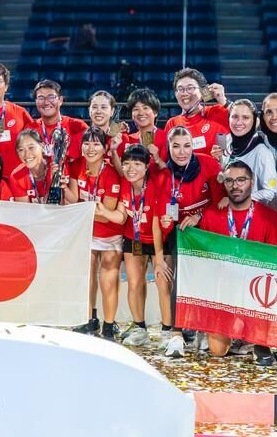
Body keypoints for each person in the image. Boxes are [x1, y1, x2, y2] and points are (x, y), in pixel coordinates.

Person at [193, 160, 277, 359]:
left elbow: (274, 266)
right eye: (229, 181)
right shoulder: (211, 216)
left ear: (252, 182)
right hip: (223, 293)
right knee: (218, 351)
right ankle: (231, 330)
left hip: (255, 294)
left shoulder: (271, 219)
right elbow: (204, 263)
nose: (235, 186)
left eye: (241, 180)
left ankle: (249, 332)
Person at [154, 126, 225, 357]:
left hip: (209, 232)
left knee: (208, 279)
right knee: (179, 277)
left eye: (187, 146)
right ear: (168, 148)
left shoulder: (209, 165)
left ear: (193, 146)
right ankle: (176, 334)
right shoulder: (164, 177)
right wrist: (166, 222)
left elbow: (222, 203)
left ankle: (203, 328)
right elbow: (163, 220)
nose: (181, 152)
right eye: (176, 146)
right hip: (182, 235)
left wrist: (200, 216)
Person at [65, 127, 124, 339]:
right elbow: (73, 199)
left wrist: (82, 209)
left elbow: (107, 214)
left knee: (108, 280)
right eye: (87, 143)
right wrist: (63, 187)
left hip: (110, 234)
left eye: (96, 143)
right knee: (87, 277)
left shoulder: (111, 173)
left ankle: (109, 325)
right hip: (86, 232)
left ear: (105, 148)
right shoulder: (76, 166)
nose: (91, 148)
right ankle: (89, 319)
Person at [105, 145, 163, 348]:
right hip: (134, 238)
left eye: (137, 164)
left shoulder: (156, 185)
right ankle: (140, 328)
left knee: (164, 284)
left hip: (158, 239)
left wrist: (160, 257)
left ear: (147, 166)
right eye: (127, 163)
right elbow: (121, 216)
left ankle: (169, 330)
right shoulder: (124, 183)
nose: (131, 168)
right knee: (134, 283)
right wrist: (100, 211)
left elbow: (157, 223)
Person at [209, 99, 274, 205]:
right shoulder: (226, 140)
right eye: (234, 116)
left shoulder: (262, 152)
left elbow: (270, 192)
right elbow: (224, 177)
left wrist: (237, 198)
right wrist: (218, 160)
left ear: (255, 121)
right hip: (223, 207)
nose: (239, 122)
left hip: (250, 211)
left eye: (245, 117)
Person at [164, 67, 229, 158]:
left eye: (190, 88)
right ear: (175, 94)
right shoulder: (172, 123)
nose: (185, 93)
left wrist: (224, 101)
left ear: (202, 91)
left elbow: (248, 121)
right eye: (180, 89)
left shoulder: (216, 112)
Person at [30, 79, 87, 164]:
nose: (46, 102)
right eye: (41, 98)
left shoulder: (78, 127)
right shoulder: (30, 129)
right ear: (36, 101)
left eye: (51, 97)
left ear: (60, 100)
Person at [117, 88, 168, 175]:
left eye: (145, 108)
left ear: (155, 112)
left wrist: (157, 159)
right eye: (136, 109)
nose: (141, 113)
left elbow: (171, 174)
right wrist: (115, 130)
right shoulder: (128, 139)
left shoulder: (166, 138)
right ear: (132, 115)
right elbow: (120, 172)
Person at [9, 130, 56, 204]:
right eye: (21, 150)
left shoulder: (56, 166)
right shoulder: (17, 176)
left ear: (42, 147)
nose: (27, 154)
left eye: (31, 147)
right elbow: (24, 209)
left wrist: (54, 180)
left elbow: (67, 203)